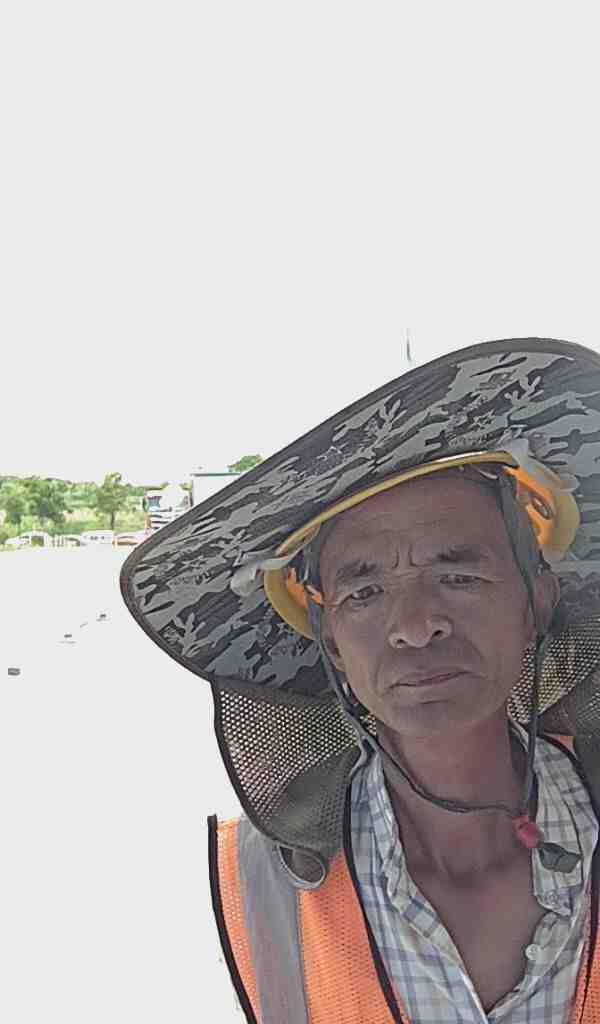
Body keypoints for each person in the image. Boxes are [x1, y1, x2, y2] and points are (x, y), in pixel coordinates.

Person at [121, 338, 600, 1022]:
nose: (416, 625)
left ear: (537, 603)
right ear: (331, 644)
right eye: (364, 592)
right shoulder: (246, 884)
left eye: (458, 574)